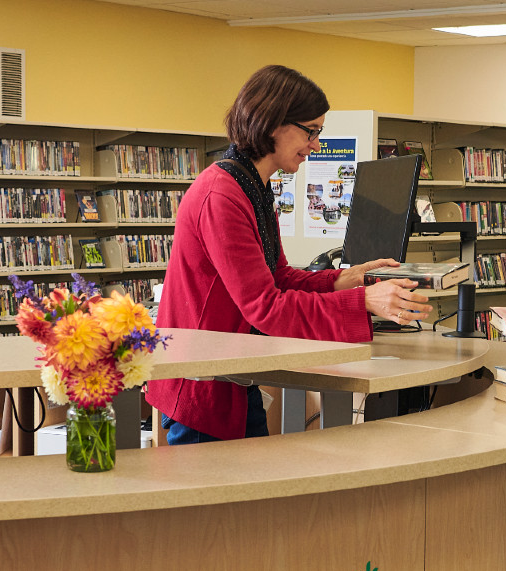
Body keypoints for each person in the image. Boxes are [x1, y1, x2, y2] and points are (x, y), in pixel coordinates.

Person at [146, 65, 432, 444]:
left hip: (232, 374)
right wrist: (362, 302)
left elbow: (278, 277)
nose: (316, 144)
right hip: (203, 386)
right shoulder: (223, 195)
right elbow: (266, 307)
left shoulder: (253, 185)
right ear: (271, 124)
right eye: (311, 130)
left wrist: (348, 279)